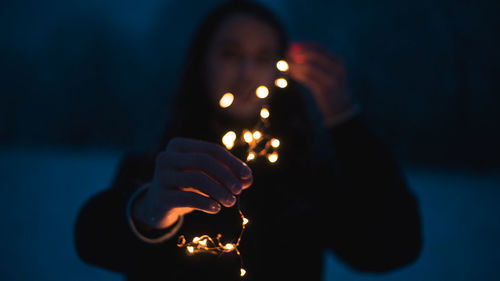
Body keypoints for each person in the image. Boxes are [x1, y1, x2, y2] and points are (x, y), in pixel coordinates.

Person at [74, 1, 422, 280]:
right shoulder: (160, 167)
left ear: (279, 70)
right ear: (201, 63)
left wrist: (344, 118)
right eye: (230, 53)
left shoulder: (308, 178)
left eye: (263, 57)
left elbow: (394, 246)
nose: (246, 72)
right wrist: (147, 212)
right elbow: (92, 239)